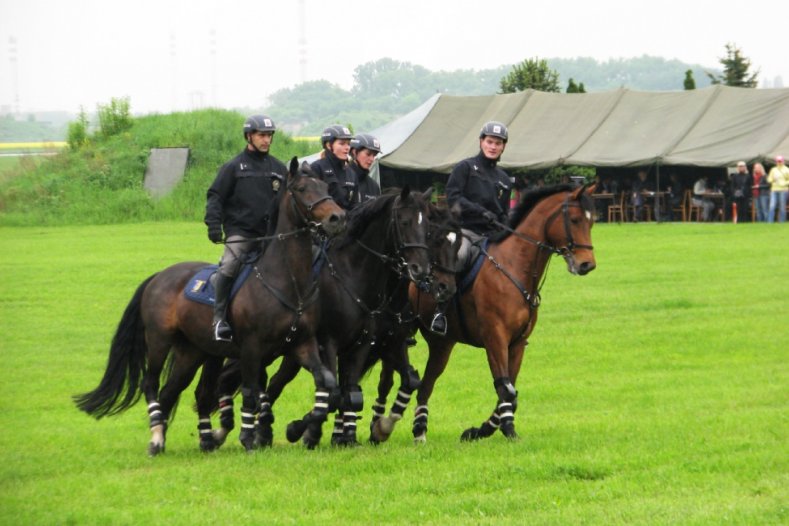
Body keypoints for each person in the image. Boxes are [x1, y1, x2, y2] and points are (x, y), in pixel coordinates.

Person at [204, 115, 287, 341]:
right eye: (261, 135)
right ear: (249, 136)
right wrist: (213, 224)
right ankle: (219, 320)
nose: (266, 140)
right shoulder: (233, 167)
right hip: (242, 233)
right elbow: (215, 196)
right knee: (230, 266)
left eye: (269, 135)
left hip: (271, 237)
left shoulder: (280, 168)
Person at [431, 120, 512, 334]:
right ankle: (440, 312)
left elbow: (503, 211)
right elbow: (453, 198)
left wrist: (509, 227)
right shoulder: (465, 167)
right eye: (490, 141)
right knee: (458, 257)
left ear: (503, 146)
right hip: (465, 231)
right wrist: (480, 211)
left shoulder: (504, 179)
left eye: (498, 143)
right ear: (481, 142)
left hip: (493, 235)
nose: (493, 146)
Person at [310, 124, 358, 210]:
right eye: (342, 144)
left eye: (348, 144)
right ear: (329, 145)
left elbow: (354, 206)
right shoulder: (316, 168)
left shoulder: (352, 174)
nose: (347, 148)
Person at [349, 133, 382, 203]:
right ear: (354, 152)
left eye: (374, 155)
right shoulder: (341, 178)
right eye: (368, 154)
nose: (372, 159)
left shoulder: (374, 186)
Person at [767, 155, 789, 223]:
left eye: (780, 161)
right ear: (776, 162)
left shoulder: (787, 169)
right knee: (772, 206)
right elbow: (769, 179)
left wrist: (784, 183)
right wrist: (772, 179)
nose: (779, 162)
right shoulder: (773, 169)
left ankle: (781, 222)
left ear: (783, 161)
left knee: (782, 207)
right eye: (778, 161)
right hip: (774, 190)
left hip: (783, 190)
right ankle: (770, 222)